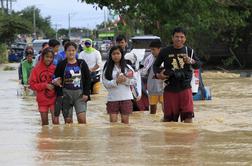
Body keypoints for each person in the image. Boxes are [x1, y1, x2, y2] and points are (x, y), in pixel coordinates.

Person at [153, 27, 201, 123]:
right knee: (168, 119)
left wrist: (191, 61)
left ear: (185, 38)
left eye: (182, 37)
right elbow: (155, 65)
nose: (179, 39)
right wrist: (159, 75)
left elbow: (198, 65)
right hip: (170, 87)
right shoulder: (165, 51)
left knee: (188, 117)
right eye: (177, 37)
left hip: (185, 87)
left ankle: (187, 138)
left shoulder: (190, 51)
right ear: (172, 38)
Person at [53, 41, 91, 124]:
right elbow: (57, 81)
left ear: (76, 51)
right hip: (66, 94)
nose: (71, 52)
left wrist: (86, 93)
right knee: (68, 122)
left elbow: (88, 79)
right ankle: (70, 137)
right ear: (65, 51)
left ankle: (82, 137)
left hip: (80, 94)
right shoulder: (61, 65)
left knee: (82, 120)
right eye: (69, 50)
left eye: (73, 50)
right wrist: (60, 95)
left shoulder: (82, 63)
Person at [102, 46, 137, 124]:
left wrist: (125, 80)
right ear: (111, 55)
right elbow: (105, 84)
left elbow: (134, 81)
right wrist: (116, 81)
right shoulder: (107, 69)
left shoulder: (128, 68)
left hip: (126, 98)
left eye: (118, 53)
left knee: (125, 124)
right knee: (113, 124)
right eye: (113, 54)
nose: (116, 56)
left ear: (122, 54)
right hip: (112, 99)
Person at [29, 48, 57, 125]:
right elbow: (32, 85)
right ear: (42, 57)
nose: (49, 59)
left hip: (54, 99)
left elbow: (59, 82)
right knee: (44, 124)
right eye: (47, 57)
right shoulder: (36, 69)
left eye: (51, 57)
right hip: (42, 100)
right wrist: (45, 85)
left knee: (56, 122)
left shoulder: (55, 68)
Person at [141, 40, 164, 114]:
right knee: (152, 109)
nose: (152, 51)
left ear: (159, 49)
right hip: (152, 87)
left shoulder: (165, 58)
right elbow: (143, 71)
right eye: (151, 49)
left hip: (164, 87)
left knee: (165, 107)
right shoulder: (148, 59)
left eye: (153, 49)